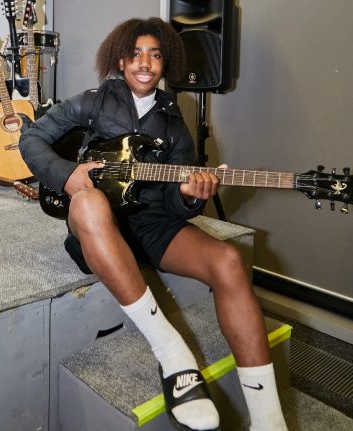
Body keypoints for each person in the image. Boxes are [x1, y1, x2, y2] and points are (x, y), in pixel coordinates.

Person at [19, 17, 288, 431]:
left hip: (153, 225)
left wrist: (190, 196)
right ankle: (173, 354)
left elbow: (176, 206)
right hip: (97, 224)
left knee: (230, 260)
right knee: (89, 204)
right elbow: (31, 138)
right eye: (136, 54)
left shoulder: (174, 122)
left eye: (155, 55)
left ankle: (269, 419)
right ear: (120, 60)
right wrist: (66, 175)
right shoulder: (92, 101)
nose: (145, 63)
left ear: (166, 63)